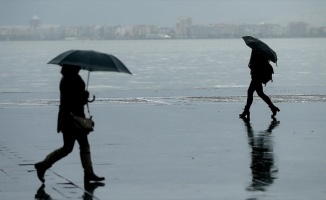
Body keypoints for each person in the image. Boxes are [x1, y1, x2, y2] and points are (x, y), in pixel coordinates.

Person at [35, 65, 104, 183]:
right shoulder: (72, 79)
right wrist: (84, 96)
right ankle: (88, 173)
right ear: (73, 68)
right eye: (78, 66)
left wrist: (83, 97)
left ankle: (44, 165)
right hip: (72, 119)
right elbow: (74, 101)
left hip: (68, 118)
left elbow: (71, 99)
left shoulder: (67, 78)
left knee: (72, 147)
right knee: (77, 146)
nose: (80, 68)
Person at [239, 50, 280, 120]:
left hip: (257, 76)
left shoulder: (257, 52)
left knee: (250, 92)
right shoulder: (261, 52)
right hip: (257, 76)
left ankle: (246, 111)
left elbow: (256, 64)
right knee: (260, 93)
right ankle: (273, 107)